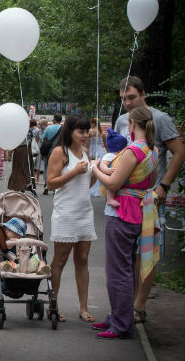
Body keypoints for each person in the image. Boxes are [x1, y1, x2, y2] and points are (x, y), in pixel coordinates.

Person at [115, 76, 185, 323]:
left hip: (151, 198)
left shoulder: (161, 119)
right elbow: (118, 155)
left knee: (147, 252)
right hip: (125, 200)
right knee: (124, 254)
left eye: (132, 96)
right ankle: (126, 304)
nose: (127, 102)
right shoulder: (122, 120)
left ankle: (139, 305)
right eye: (123, 98)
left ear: (144, 94)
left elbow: (179, 153)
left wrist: (164, 185)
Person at [91, 106, 157, 339]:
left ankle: (121, 324)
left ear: (132, 124)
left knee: (118, 272)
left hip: (122, 214)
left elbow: (112, 184)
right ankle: (119, 316)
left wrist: (96, 168)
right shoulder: (152, 150)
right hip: (139, 212)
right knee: (127, 268)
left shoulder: (132, 151)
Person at [46, 115, 97, 323]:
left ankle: (83, 308)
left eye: (87, 131)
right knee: (60, 260)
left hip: (85, 212)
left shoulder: (85, 152)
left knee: (83, 260)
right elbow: (50, 183)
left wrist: (96, 171)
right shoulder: (60, 152)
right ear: (70, 132)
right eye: (81, 131)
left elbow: (88, 183)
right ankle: (53, 305)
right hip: (66, 213)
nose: (85, 135)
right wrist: (75, 171)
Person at [98, 129, 129, 208]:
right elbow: (102, 164)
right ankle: (109, 199)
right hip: (110, 176)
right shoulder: (110, 155)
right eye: (124, 146)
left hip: (117, 176)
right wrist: (107, 170)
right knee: (111, 189)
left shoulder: (120, 155)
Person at [41, 114, 63, 195]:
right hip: (59, 152)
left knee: (47, 168)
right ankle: (54, 188)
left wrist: (42, 152)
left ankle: (47, 186)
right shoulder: (63, 129)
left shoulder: (48, 128)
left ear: (54, 119)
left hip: (48, 151)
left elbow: (44, 139)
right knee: (57, 169)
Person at [35, 118, 48, 184]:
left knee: (44, 164)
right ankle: (37, 179)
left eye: (44, 124)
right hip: (39, 149)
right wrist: (35, 149)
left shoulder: (47, 131)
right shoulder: (38, 132)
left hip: (45, 149)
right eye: (41, 124)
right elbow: (36, 141)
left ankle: (44, 179)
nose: (42, 126)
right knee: (38, 164)